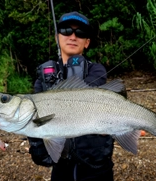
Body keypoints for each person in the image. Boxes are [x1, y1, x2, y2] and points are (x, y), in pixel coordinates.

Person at [28, 11, 114, 181]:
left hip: (96, 166)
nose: (73, 37)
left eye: (80, 33)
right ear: (56, 38)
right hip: (62, 167)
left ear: (87, 42)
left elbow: (83, 97)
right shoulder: (43, 77)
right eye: (66, 31)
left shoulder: (96, 70)